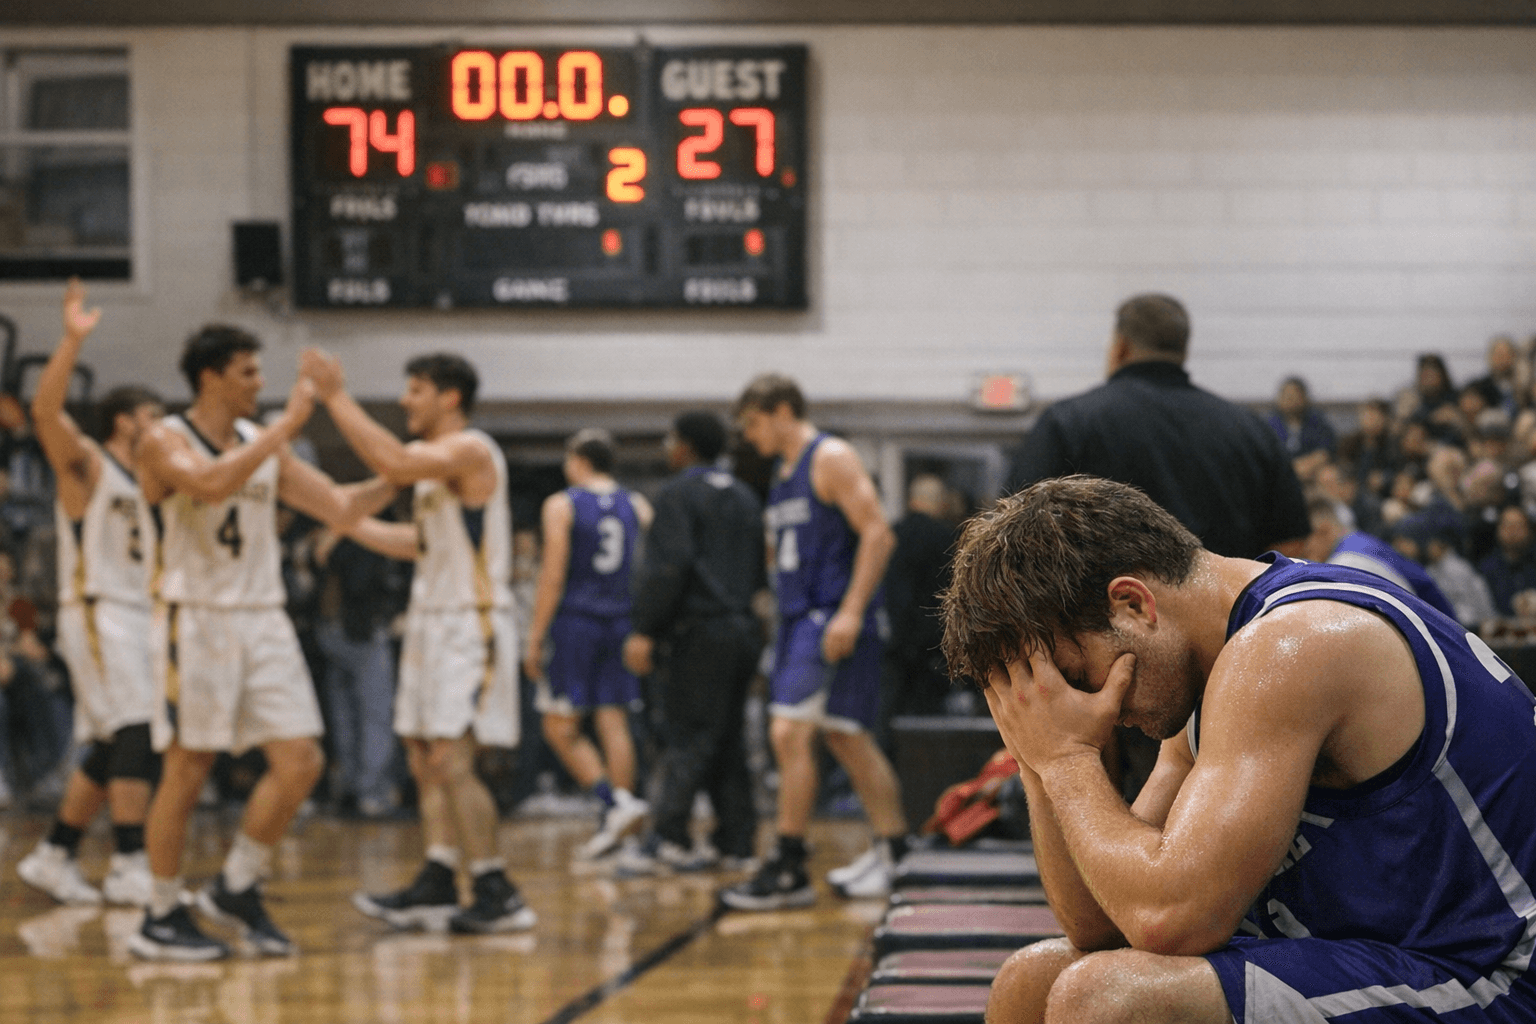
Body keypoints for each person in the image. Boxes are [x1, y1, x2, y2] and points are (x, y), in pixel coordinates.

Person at [939, 475, 1536, 1024]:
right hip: (1410, 961)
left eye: (1078, 675)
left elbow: (1170, 919)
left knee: (1106, 1001)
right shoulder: (1208, 669)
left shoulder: (1290, 646)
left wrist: (1067, 761)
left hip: (1499, 977)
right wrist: (1038, 759)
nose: (1098, 711)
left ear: (1133, 604)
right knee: (1032, 981)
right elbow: (1102, 921)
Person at [128, 325, 393, 960]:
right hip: (195, 615)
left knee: (301, 760)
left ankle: (237, 885)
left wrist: (401, 470)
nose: (260, 383)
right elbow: (211, 484)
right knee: (188, 768)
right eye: (247, 372)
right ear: (211, 376)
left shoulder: (260, 444)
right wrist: (288, 428)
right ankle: (160, 913)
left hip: (263, 616)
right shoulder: (163, 438)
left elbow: (337, 506)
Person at [1007, 293, 1310, 796]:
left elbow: (1017, 554)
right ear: (1182, 350)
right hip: (1234, 659)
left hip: (1109, 660)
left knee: (1114, 830)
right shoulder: (1249, 430)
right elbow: (1292, 549)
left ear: (1120, 347)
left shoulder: (1070, 423)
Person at [302, 349, 532, 934]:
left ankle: (494, 886)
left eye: (416, 390)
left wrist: (335, 397)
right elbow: (419, 541)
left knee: (454, 760)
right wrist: (348, 523)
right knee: (425, 761)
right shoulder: (434, 470)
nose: (405, 401)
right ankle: (438, 874)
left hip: (468, 621)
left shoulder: (469, 449)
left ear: (449, 397)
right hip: (431, 620)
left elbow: (397, 463)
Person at [720, 374, 907, 910]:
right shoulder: (780, 474)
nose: (749, 436)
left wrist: (849, 613)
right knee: (845, 736)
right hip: (799, 619)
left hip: (829, 617)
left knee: (787, 735)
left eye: (753, 423)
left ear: (781, 411)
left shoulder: (830, 457)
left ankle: (788, 863)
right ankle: (894, 847)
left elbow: (878, 532)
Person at [17, 279, 162, 907]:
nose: (163, 429)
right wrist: (71, 341)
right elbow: (46, 414)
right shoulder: (91, 468)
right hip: (102, 610)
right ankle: (131, 860)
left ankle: (55, 853)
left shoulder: (150, 480)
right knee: (135, 727)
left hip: (135, 614)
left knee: (112, 739)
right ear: (125, 421)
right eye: (155, 418)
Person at [617, 411, 766, 874]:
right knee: (727, 738)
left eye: (670, 439)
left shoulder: (677, 494)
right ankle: (736, 841)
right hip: (743, 628)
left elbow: (668, 568)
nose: (667, 447)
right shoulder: (744, 495)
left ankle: (668, 839)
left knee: (687, 736)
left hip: (698, 631)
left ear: (685, 446)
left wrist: (644, 628)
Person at [523, 428, 653, 863]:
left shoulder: (562, 504)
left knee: (558, 725)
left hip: (575, 621)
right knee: (613, 721)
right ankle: (620, 822)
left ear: (577, 461)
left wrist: (536, 633)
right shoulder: (637, 505)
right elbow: (649, 570)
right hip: (620, 622)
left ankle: (613, 804)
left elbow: (554, 573)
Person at [1301, 496, 1456, 620]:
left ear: (1324, 530)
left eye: (1305, 542)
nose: (1303, 551)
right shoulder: (1359, 541)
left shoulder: (1346, 564)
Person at [882, 474, 958, 721]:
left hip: (893, 639)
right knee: (928, 720)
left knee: (890, 712)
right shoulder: (946, 539)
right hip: (933, 643)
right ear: (940, 502)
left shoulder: (891, 535)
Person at [1267, 376, 1335, 482]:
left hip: (1312, 474)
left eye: (1295, 397)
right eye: (1287, 397)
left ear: (1304, 397)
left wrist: (1301, 467)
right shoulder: (1269, 423)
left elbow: (1324, 453)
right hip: (1278, 474)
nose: (1291, 401)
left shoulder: (1318, 422)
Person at [1478, 505, 1536, 619]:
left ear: (1530, 530)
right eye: (1507, 526)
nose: (1512, 532)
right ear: (1498, 530)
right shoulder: (1486, 568)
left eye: (1518, 526)